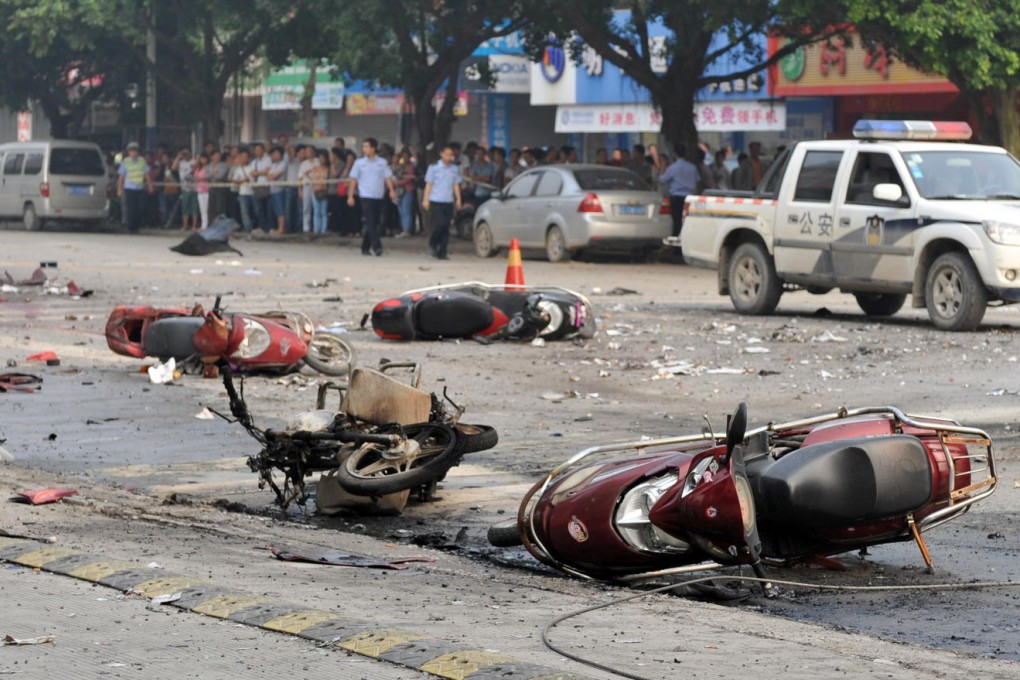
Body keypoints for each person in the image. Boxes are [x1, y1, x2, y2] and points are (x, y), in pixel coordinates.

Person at [348, 137, 397, 256]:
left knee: (375, 222)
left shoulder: (382, 162)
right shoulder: (359, 163)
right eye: (363, 147)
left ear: (373, 149)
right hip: (365, 195)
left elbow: (388, 177)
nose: (364, 149)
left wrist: (391, 190)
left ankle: (365, 246)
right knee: (370, 221)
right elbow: (353, 180)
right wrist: (350, 196)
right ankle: (377, 246)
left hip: (378, 195)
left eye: (366, 146)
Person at [422, 144, 462, 260]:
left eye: (451, 155)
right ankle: (433, 243)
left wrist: (458, 199)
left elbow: (456, 185)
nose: (449, 157)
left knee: (446, 227)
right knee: (440, 224)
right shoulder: (434, 168)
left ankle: (442, 251)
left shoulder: (454, 169)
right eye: (447, 154)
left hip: (448, 201)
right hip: (436, 200)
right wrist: (425, 199)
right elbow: (428, 184)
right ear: (441, 154)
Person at [658, 144, 699, 238]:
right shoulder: (692, 167)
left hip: (676, 197)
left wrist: (661, 169)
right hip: (689, 197)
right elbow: (697, 180)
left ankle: (676, 242)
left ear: (674, 154)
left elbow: (662, 180)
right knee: (687, 221)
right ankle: (687, 239)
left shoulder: (673, 167)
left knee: (676, 221)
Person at [117, 142, 153, 233]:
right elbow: (121, 177)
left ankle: (137, 225)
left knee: (140, 208)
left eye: (135, 151)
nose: (133, 153)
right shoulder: (126, 162)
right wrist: (119, 189)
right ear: (129, 152)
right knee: (131, 209)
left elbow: (146, 174)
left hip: (140, 188)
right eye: (131, 151)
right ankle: (131, 227)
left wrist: (150, 185)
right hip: (129, 188)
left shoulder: (142, 161)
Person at [392, 146, 417, 238]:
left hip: (407, 190)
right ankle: (403, 229)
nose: (405, 158)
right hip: (399, 191)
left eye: (406, 156)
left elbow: (409, 179)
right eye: (403, 156)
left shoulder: (411, 167)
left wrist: (397, 183)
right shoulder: (400, 167)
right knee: (401, 211)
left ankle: (407, 229)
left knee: (407, 210)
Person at [229, 149, 255, 232]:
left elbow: (252, 178)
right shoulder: (238, 169)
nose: (244, 158)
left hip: (253, 192)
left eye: (245, 157)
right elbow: (234, 180)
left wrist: (241, 181)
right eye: (242, 157)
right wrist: (242, 180)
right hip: (243, 193)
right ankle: (248, 228)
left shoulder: (252, 166)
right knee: (244, 213)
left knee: (256, 211)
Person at [173, 148, 198, 232]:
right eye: (183, 153)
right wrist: (178, 157)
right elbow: (173, 168)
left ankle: (194, 225)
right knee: (185, 208)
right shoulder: (181, 163)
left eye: (187, 153)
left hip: (194, 188)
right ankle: (185, 225)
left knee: (194, 208)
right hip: (184, 188)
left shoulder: (194, 161)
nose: (185, 155)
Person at [249, 142, 272, 231]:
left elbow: (268, 171)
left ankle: (269, 227)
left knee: (268, 209)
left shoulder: (268, 159)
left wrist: (258, 172)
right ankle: (263, 228)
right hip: (257, 187)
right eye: (256, 150)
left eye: (259, 149)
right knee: (259, 209)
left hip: (266, 186)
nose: (257, 151)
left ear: (263, 150)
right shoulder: (254, 162)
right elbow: (251, 173)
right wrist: (262, 172)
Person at [266, 146, 288, 235]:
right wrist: (270, 175)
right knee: (275, 210)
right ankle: (277, 228)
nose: (274, 156)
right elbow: (268, 176)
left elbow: (274, 176)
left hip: (279, 190)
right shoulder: (273, 164)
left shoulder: (283, 164)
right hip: (272, 190)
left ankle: (281, 228)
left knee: (280, 210)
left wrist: (270, 175)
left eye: (276, 154)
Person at [309, 149, 331, 235]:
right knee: (316, 211)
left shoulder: (327, 169)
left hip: (324, 191)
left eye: (323, 158)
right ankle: (316, 229)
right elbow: (306, 174)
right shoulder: (315, 168)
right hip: (315, 191)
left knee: (323, 211)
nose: (321, 160)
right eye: (320, 158)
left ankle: (323, 229)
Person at [194, 152, 210, 230]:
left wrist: (201, 179)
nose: (203, 160)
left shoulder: (209, 167)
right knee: (202, 209)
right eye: (201, 159)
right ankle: (204, 226)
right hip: (200, 190)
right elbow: (195, 178)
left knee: (207, 209)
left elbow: (208, 177)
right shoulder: (198, 169)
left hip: (207, 190)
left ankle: (208, 225)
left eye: (204, 159)